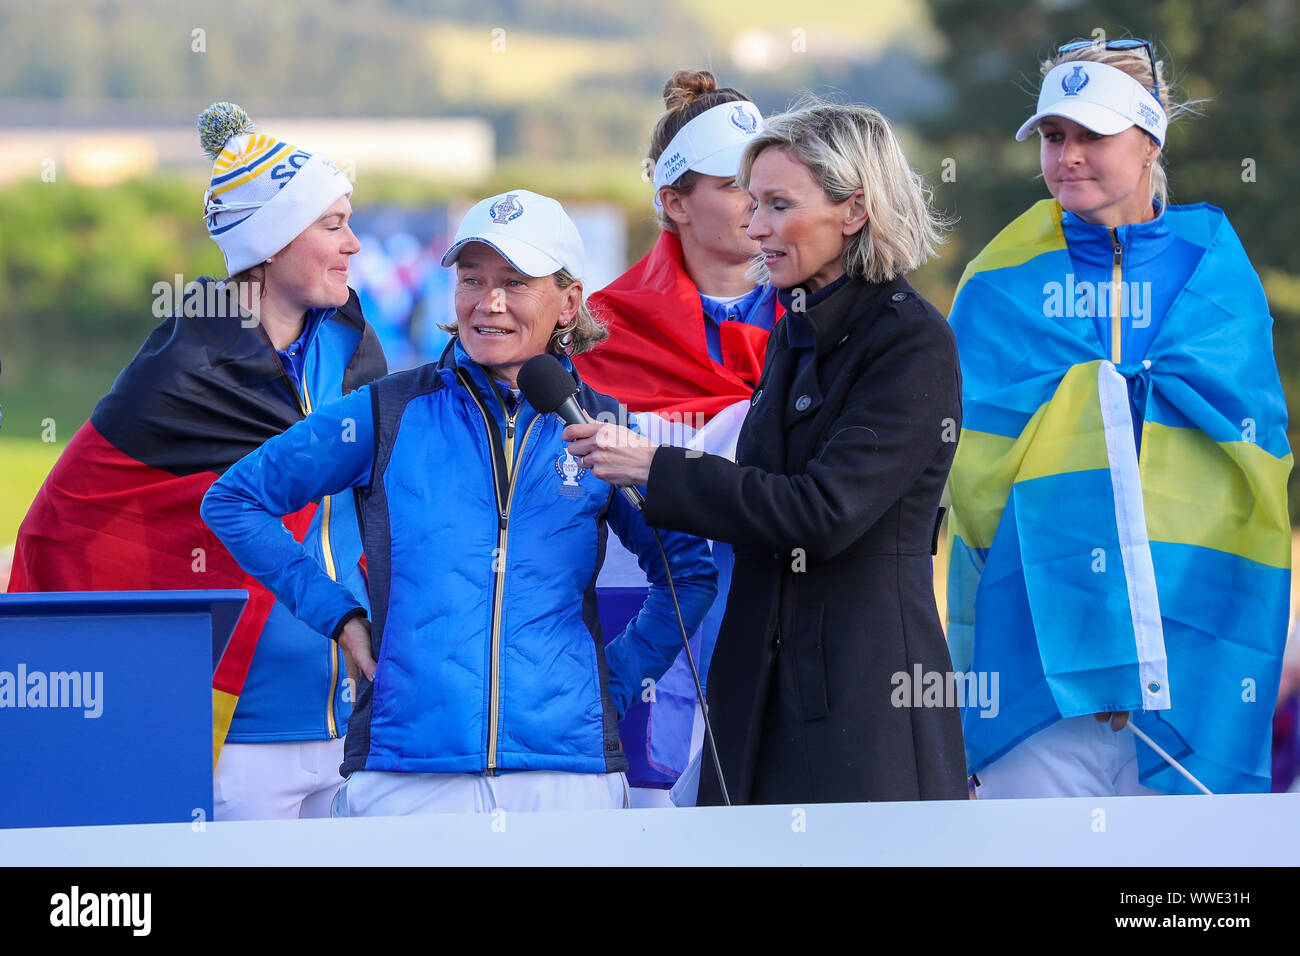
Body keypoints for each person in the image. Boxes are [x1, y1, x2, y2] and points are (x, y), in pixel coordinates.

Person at [200, 189, 718, 816]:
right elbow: (235, 499)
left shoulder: (604, 428)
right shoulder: (387, 411)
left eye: (515, 283)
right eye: (472, 279)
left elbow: (688, 572)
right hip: (405, 774)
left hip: (568, 778)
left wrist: (606, 685)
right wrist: (338, 615)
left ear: (569, 303)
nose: (487, 302)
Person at [566, 101, 969, 805]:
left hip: (862, 703)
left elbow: (823, 511)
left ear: (854, 210)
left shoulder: (912, 342)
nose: (754, 229)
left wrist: (655, 467)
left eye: (777, 206)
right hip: (758, 693)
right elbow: (761, 493)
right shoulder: (795, 332)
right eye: (751, 204)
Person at [8, 103, 388, 819]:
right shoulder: (187, 361)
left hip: (348, 711)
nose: (354, 245)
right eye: (332, 225)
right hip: (235, 724)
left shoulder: (354, 342)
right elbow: (70, 518)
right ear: (272, 243)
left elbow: (376, 510)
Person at [944, 39, 1291, 797]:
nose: (1067, 156)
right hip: (1040, 668)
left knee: (1179, 912)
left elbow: (1256, 456)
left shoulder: (1218, 270)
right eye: (1053, 136)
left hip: (1191, 655)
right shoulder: (997, 283)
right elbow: (969, 471)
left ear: (1150, 138)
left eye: (1092, 135)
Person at [573, 69, 779, 804]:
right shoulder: (594, 330)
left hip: (783, 624)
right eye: (733, 184)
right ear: (672, 202)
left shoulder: (824, 322)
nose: (757, 201)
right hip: (648, 626)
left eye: (767, 179)